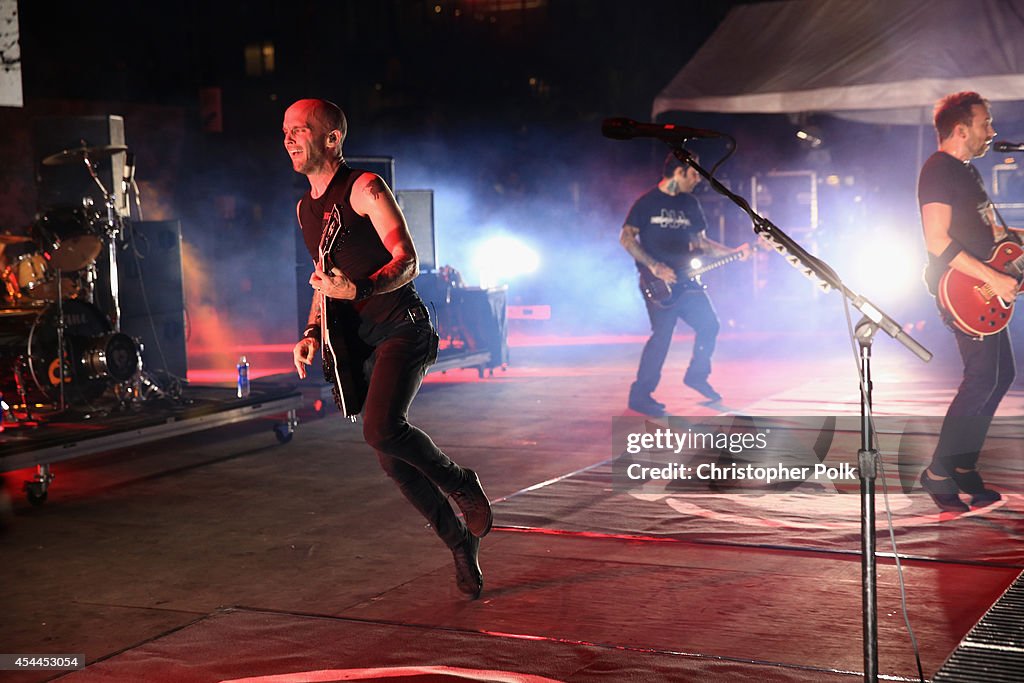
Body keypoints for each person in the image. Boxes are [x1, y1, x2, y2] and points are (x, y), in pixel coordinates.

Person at [284, 98, 493, 597]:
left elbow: (408, 259)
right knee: (387, 451)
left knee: (381, 429)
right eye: (285, 131)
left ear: (332, 138)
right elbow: (322, 279)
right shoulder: (304, 208)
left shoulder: (364, 188)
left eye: (300, 130)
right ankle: (459, 541)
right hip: (359, 344)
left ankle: (461, 480)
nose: (289, 139)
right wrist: (312, 332)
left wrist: (360, 290)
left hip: (404, 326)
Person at [918, 91, 1018, 512]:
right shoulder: (938, 170)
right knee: (981, 379)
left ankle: (961, 465)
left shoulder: (967, 172)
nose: (992, 132)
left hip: (984, 284)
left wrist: (1012, 248)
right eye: (985, 123)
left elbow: (994, 235)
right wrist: (993, 276)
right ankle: (939, 470)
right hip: (964, 291)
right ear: (961, 129)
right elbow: (936, 239)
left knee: (1000, 375)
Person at [620, 152, 749, 416]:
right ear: (678, 172)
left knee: (709, 324)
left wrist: (734, 251)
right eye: (693, 173)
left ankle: (696, 375)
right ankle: (640, 396)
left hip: (687, 280)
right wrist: (654, 266)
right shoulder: (646, 203)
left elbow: (701, 244)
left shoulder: (690, 203)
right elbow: (627, 239)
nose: (698, 179)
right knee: (662, 336)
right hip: (658, 284)